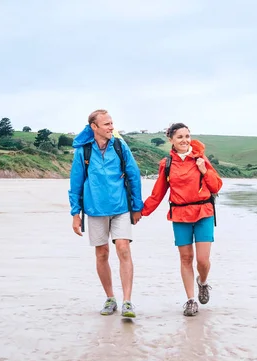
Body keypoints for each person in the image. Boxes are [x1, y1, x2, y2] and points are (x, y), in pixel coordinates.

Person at [141, 122, 223, 316]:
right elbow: (158, 193)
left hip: (204, 212)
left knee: (203, 261)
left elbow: (217, 186)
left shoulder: (200, 159)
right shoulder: (167, 164)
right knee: (186, 258)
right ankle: (190, 300)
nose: (185, 140)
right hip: (179, 214)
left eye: (187, 136)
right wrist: (141, 212)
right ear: (171, 140)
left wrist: (205, 170)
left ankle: (202, 282)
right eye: (180, 137)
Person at [68, 109, 143, 318]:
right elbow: (75, 183)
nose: (112, 127)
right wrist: (75, 213)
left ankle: (127, 302)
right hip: (94, 209)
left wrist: (137, 207)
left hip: (120, 207)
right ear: (94, 127)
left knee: (123, 248)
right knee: (101, 254)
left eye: (112, 123)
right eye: (107, 124)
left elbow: (134, 175)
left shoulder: (120, 146)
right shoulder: (84, 151)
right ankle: (110, 298)